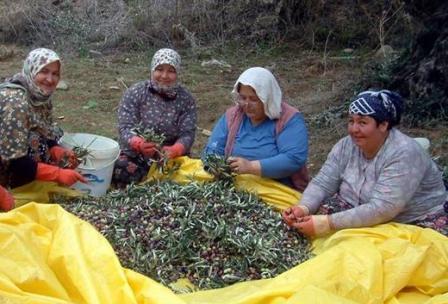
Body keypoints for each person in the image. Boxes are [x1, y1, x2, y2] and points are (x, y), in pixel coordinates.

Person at [283, 90, 448, 237]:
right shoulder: (346, 145)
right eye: (351, 121)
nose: (354, 129)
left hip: (410, 219)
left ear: (383, 125)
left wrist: (327, 223)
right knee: (306, 226)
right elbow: (323, 183)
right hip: (356, 206)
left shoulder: (404, 153)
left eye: (362, 122)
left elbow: (383, 208)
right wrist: (304, 208)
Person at [202, 67, 309, 191]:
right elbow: (212, 149)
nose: (246, 104)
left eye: (254, 99)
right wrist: (217, 167)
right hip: (237, 185)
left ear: (267, 97)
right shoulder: (233, 116)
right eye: (243, 98)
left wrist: (251, 167)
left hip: (278, 189)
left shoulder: (289, 118)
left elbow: (293, 158)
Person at [0, 48, 86, 194]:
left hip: (19, 155)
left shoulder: (40, 96)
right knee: (35, 140)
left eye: (55, 74)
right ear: (32, 70)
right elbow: (16, 161)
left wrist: (55, 148)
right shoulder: (15, 103)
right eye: (44, 71)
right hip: (9, 163)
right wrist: (57, 174)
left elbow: (44, 127)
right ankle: (12, 186)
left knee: (56, 133)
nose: (50, 79)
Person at [113, 48, 197, 188]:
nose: (164, 76)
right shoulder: (135, 92)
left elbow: (188, 133)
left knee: (185, 179)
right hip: (136, 155)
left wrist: (176, 149)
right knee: (120, 170)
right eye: (159, 69)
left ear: (177, 73)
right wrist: (138, 143)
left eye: (171, 71)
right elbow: (125, 127)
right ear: (152, 70)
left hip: (169, 157)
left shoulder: (186, 100)